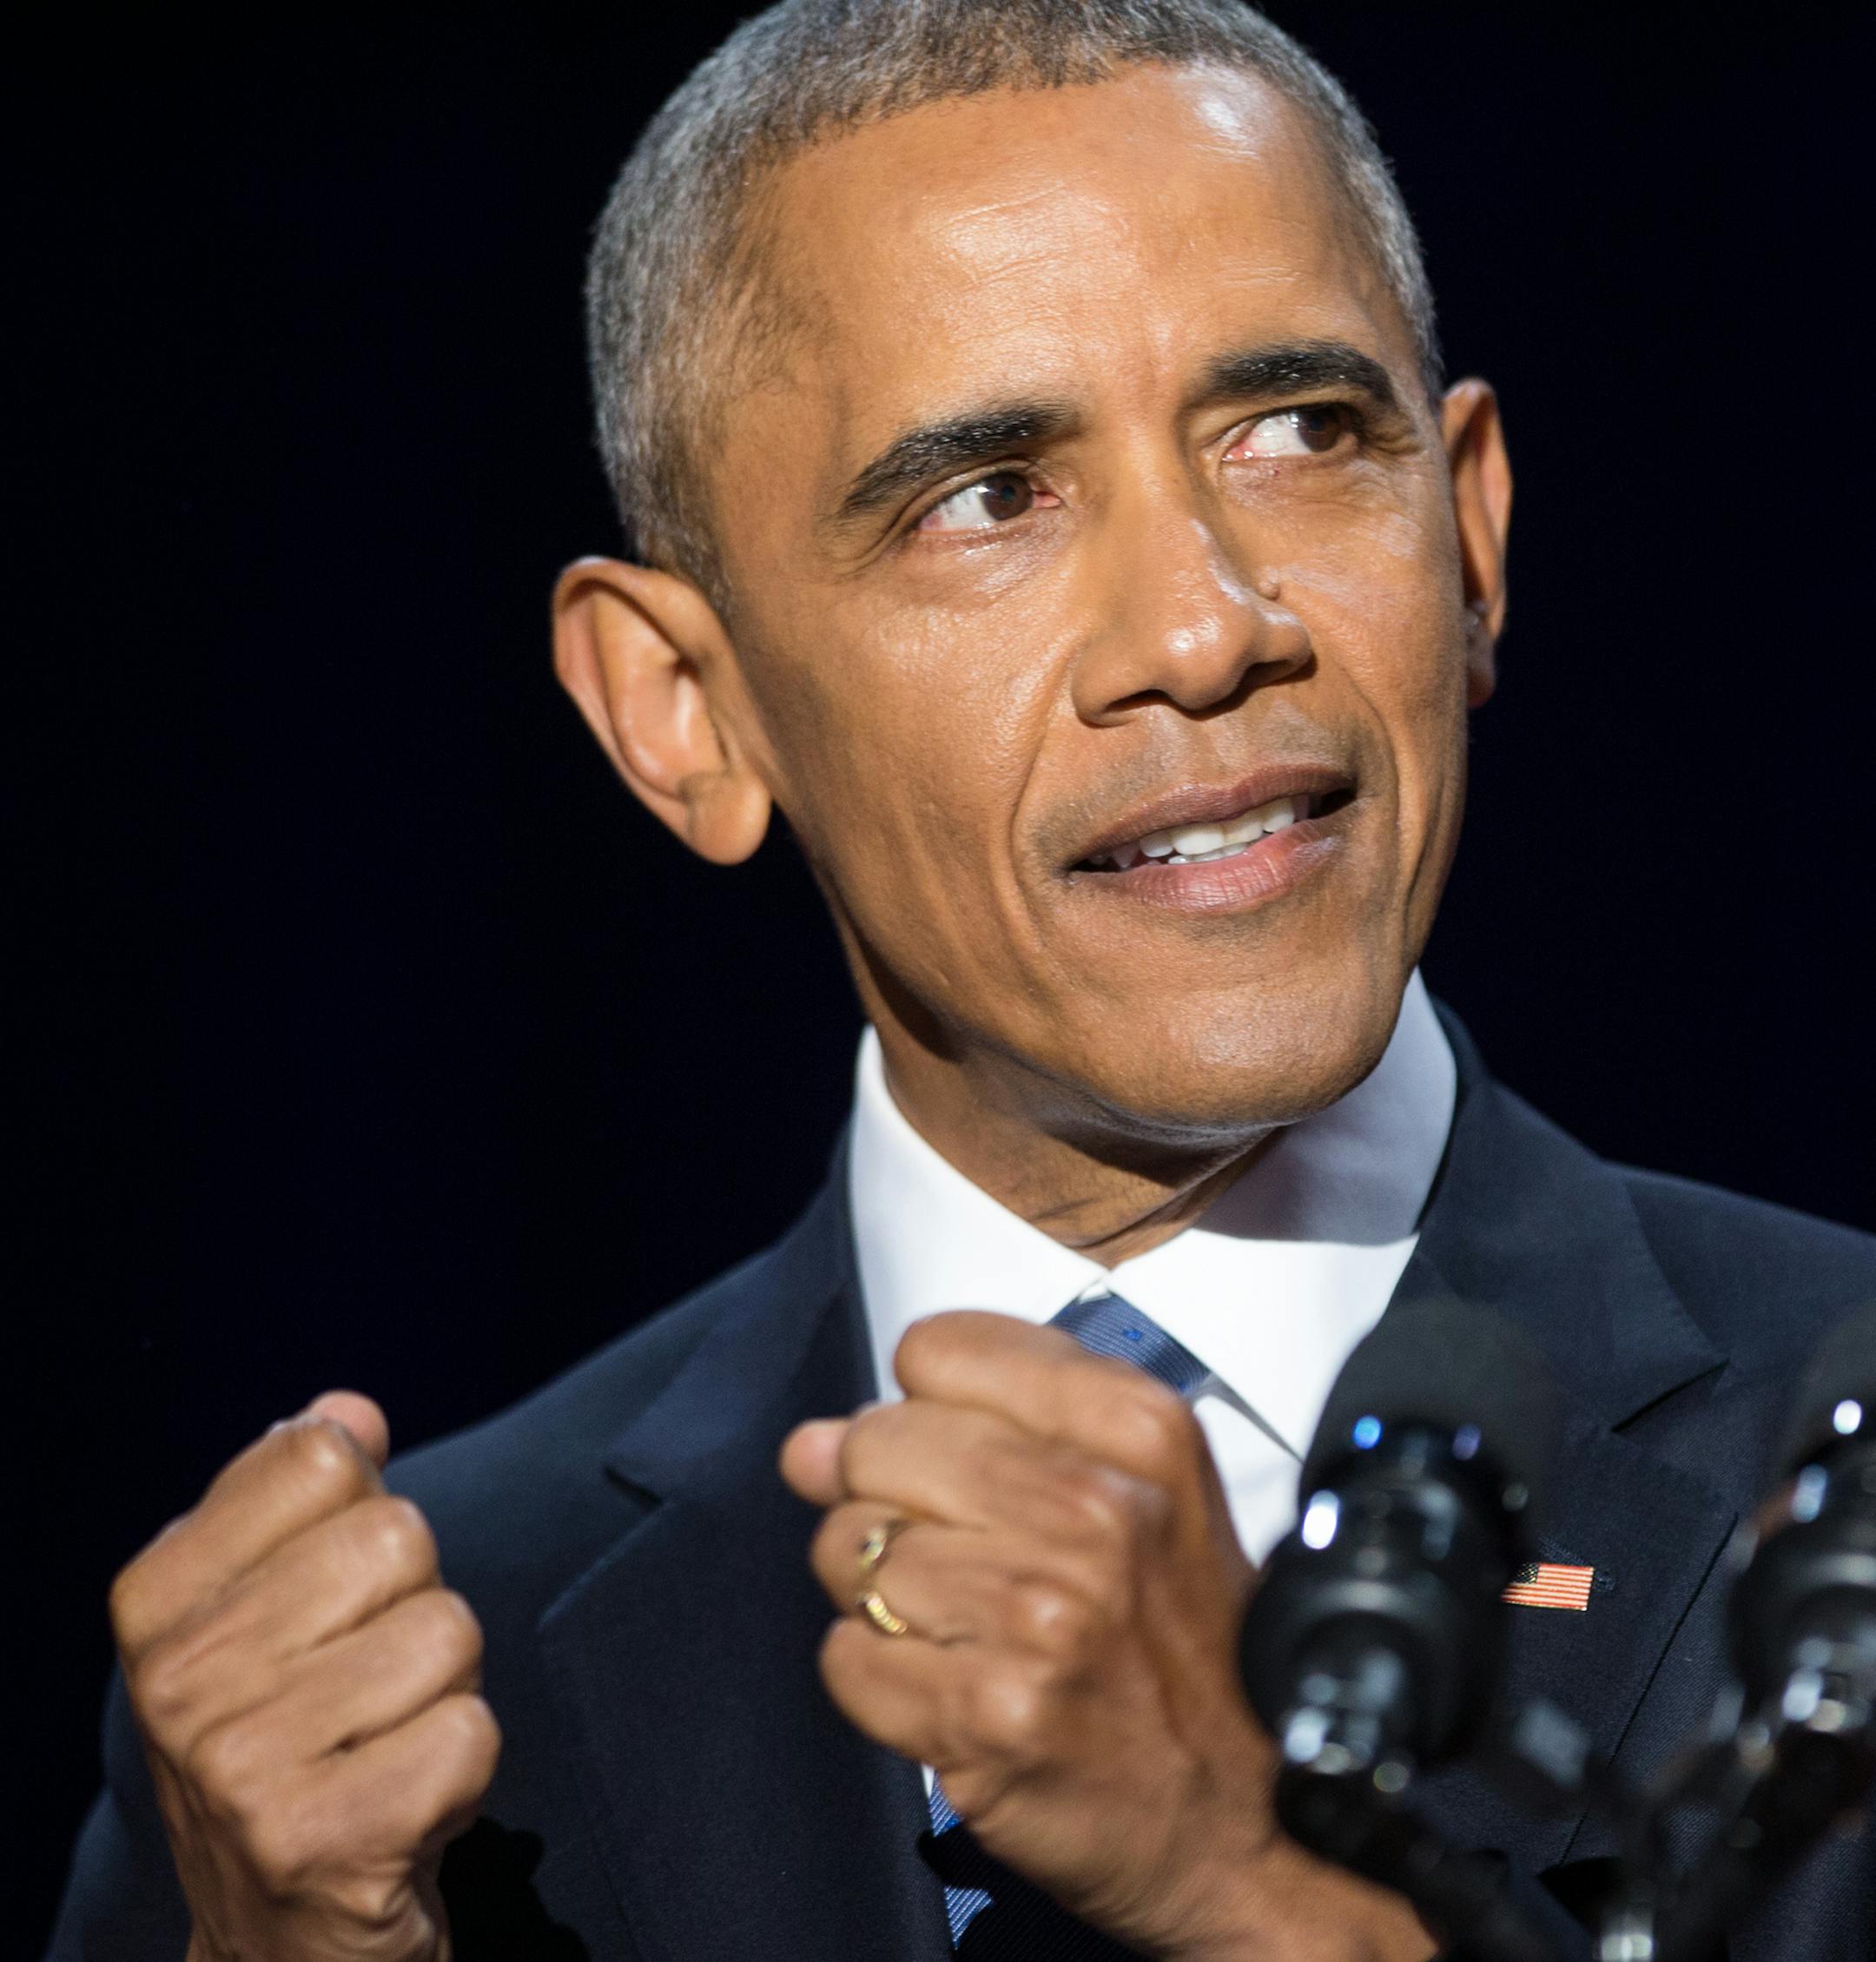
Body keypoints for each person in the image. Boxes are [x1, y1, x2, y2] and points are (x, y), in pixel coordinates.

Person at [46, 3, 1876, 1958]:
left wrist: (1254, 1893)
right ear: (687, 711)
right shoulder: (407, 1709)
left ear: (1473, 529)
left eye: (1298, 431)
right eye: (988, 496)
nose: (1203, 624)